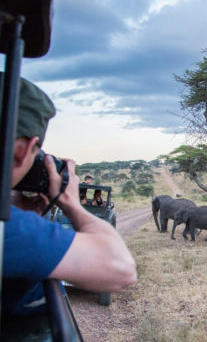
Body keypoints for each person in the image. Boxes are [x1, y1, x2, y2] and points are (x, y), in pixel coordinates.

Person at [3, 75, 137, 316]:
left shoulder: (16, 226)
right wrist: (72, 205)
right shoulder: (10, 230)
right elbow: (122, 269)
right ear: (23, 151)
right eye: (36, 154)